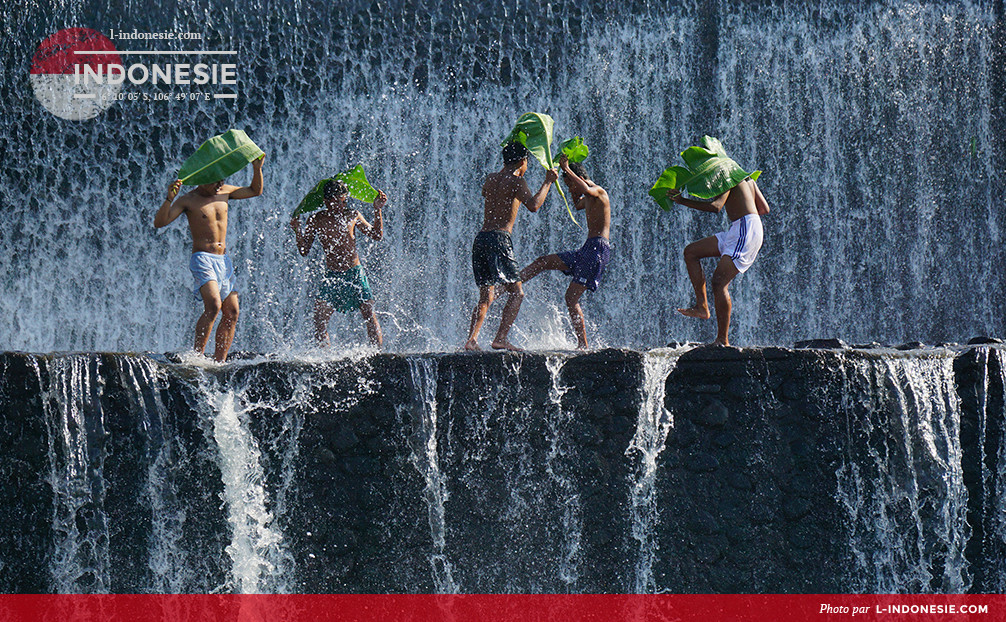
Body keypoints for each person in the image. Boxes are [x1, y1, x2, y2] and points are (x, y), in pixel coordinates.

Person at [154, 154, 265, 362]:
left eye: (221, 181)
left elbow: (255, 190)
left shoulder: (225, 192)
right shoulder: (188, 200)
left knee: (232, 312)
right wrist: (169, 199)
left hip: (224, 261)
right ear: (202, 179)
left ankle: (219, 362)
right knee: (213, 305)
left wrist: (257, 168)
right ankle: (197, 357)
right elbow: (160, 223)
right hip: (203, 258)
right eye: (215, 181)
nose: (219, 185)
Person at [464, 141, 558, 352]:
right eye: (527, 162)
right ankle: (501, 338)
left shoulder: (491, 178)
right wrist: (548, 182)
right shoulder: (517, 182)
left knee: (486, 295)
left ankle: (471, 339)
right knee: (517, 293)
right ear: (522, 161)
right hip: (499, 239)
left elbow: (485, 192)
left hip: (481, 239)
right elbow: (534, 205)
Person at [520, 154, 611, 350]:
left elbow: (586, 188)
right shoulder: (587, 197)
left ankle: (583, 345)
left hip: (597, 250)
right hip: (587, 249)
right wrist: (569, 187)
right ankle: (513, 283)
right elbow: (578, 203)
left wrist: (566, 168)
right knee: (543, 261)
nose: (570, 188)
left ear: (578, 177)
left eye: (570, 184)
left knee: (571, 298)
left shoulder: (599, 191)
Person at [667, 176, 769, 346]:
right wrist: (744, 208)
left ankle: (723, 339)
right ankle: (702, 306)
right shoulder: (748, 178)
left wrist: (681, 200)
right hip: (741, 228)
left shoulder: (728, 176)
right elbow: (764, 209)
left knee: (719, 282)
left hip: (745, 229)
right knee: (691, 252)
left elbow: (716, 206)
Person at [290, 180, 387, 347]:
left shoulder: (352, 215)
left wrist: (377, 209)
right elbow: (304, 250)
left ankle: (377, 355)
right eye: (338, 201)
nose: (342, 205)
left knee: (369, 313)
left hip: (355, 273)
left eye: (344, 201)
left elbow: (377, 235)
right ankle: (324, 358)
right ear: (327, 201)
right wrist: (297, 230)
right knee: (320, 319)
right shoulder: (316, 219)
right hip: (332, 276)